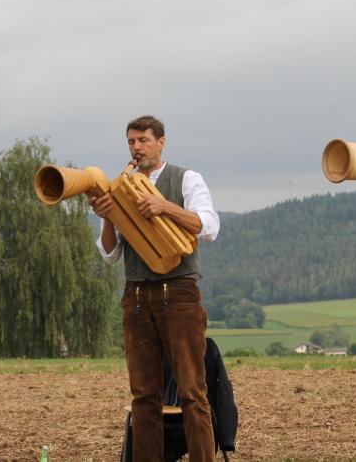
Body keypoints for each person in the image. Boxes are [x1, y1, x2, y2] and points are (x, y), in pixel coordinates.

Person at [89, 115, 220, 461]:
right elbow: (110, 254)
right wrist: (107, 216)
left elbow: (208, 226)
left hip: (179, 294)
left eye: (143, 140)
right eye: (131, 142)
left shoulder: (186, 178)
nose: (136, 148)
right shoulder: (121, 188)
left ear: (161, 142)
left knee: (192, 392)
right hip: (136, 298)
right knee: (143, 396)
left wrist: (164, 206)